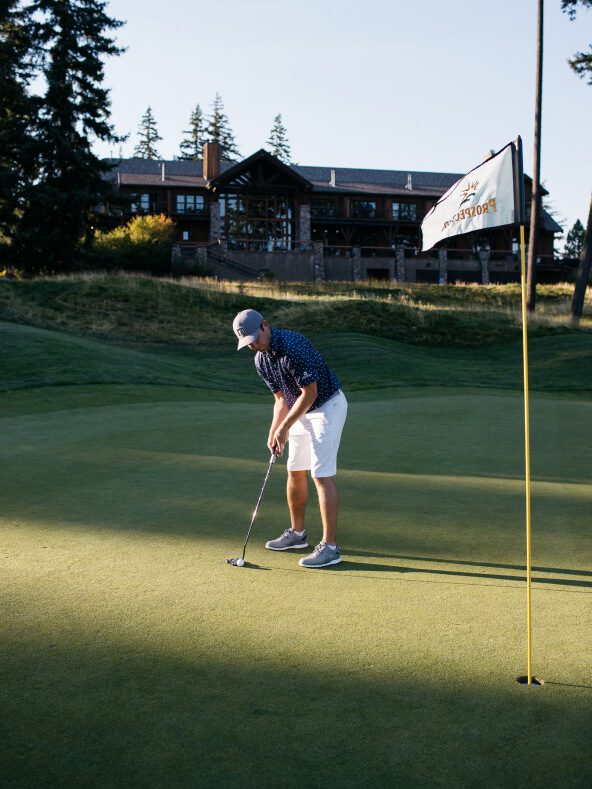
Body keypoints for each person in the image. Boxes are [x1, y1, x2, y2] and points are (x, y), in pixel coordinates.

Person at [232, 308, 348, 568]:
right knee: (295, 470)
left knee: (320, 474)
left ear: (265, 325)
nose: (253, 346)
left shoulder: (294, 345)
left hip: (327, 406)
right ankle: (297, 535)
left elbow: (309, 393)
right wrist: (275, 431)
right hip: (299, 410)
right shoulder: (261, 359)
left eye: (254, 338)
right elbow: (281, 398)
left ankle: (330, 547)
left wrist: (285, 427)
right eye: (247, 343)